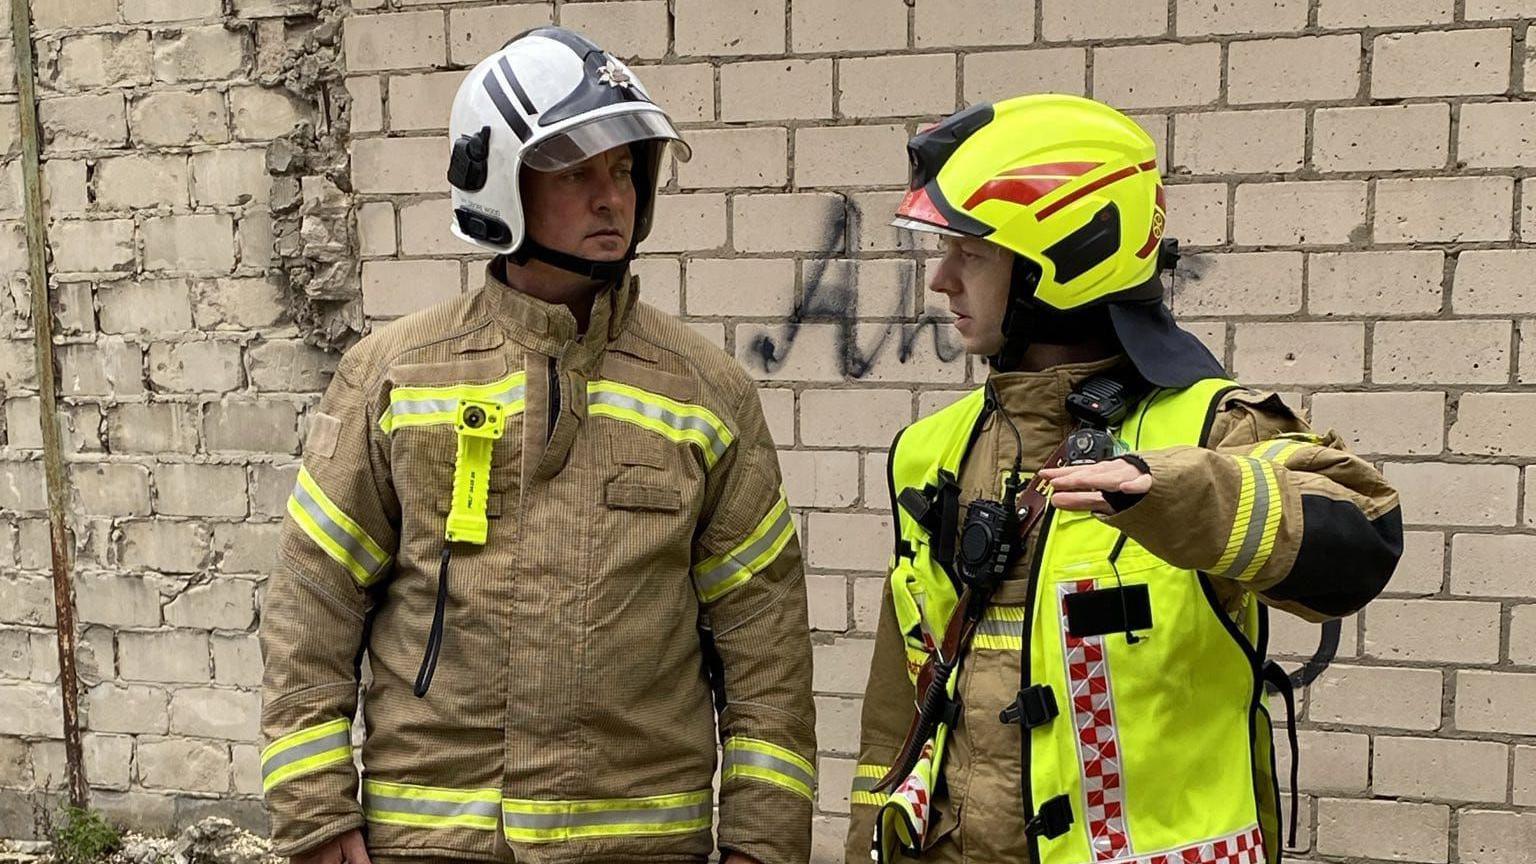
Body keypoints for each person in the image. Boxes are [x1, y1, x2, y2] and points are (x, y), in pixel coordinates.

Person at [260, 27, 815, 864]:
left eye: (625, 169)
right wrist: (316, 814)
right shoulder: (394, 377)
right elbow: (313, 602)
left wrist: (762, 844)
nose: (612, 197)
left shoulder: (706, 392)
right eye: (579, 170)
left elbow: (766, 645)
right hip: (432, 842)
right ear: (501, 179)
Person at [845, 94, 1402, 864]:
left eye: (970, 252)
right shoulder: (931, 451)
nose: (941, 280)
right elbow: (895, 710)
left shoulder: (1214, 429)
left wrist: (1178, 496)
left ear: (1062, 262)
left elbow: (1363, 538)